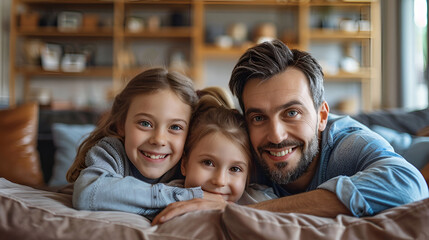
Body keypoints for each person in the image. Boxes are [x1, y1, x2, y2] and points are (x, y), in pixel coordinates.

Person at [152, 40, 428, 222]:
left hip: (416, 153)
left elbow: (408, 185)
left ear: (322, 116)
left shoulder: (346, 147)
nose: (276, 135)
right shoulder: (241, 149)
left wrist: (243, 212)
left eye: (291, 113)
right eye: (259, 117)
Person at [66, 67, 211, 219]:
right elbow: (88, 193)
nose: (159, 140)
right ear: (122, 125)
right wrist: (187, 197)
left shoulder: (192, 165)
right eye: (145, 123)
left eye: (175, 127)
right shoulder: (111, 152)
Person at [152, 87, 276, 224]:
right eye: (208, 163)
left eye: (235, 169)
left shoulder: (262, 201)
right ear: (184, 164)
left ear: (248, 174)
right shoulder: (167, 196)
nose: (220, 181)